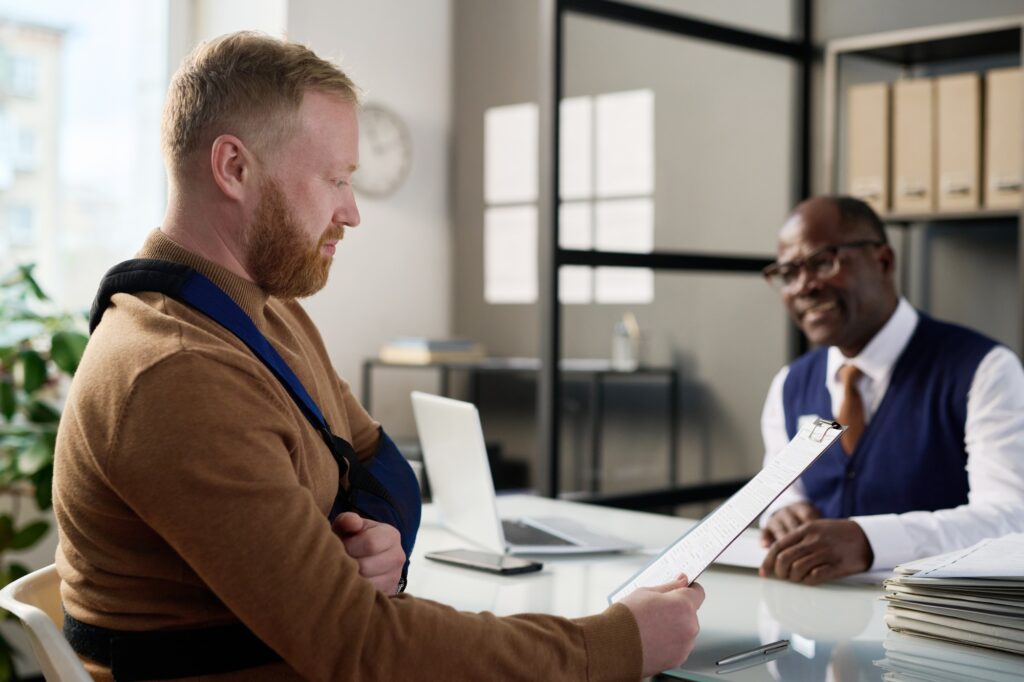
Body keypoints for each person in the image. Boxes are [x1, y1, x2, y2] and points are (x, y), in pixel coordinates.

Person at [52, 32, 704, 681]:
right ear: (233, 167)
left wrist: (378, 535)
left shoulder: (268, 316)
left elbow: (379, 460)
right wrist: (614, 645)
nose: (352, 211)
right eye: (335, 178)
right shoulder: (178, 372)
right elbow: (362, 647)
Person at [757, 195, 1024, 585]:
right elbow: (780, 493)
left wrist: (870, 541)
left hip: (939, 621)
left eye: (822, 262)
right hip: (819, 620)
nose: (804, 287)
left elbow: (1010, 517)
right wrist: (784, 510)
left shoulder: (984, 370)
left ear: (883, 261)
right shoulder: (789, 384)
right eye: (788, 272)